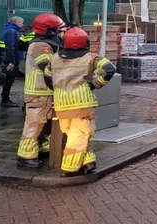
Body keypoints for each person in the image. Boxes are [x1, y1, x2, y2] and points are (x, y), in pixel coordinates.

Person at [43, 27, 116, 176]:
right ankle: (70, 168)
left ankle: (89, 162)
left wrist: (58, 89)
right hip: (82, 103)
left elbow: (48, 78)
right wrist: (95, 83)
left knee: (75, 134)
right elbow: (109, 69)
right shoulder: (91, 57)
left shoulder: (54, 58)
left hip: (61, 103)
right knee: (79, 136)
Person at [16, 13, 65, 168]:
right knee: (35, 123)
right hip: (38, 91)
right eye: (58, 29)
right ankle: (26, 155)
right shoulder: (39, 46)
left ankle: (41, 146)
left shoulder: (48, 43)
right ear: (49, 30)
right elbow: (49, 67)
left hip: (46, 91)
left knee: (47, 123)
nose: (60, 32)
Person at [0, 16, 24, 108]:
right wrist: (12, 62)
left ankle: (5, 99)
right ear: (17, 22)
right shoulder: (12, 32)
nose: (22, 25)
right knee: (9, 80)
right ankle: (5, 100)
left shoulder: (9, 30)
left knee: (9, 80)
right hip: (11, 60)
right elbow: (10, 47)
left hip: (10, 59)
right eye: (22, 22)